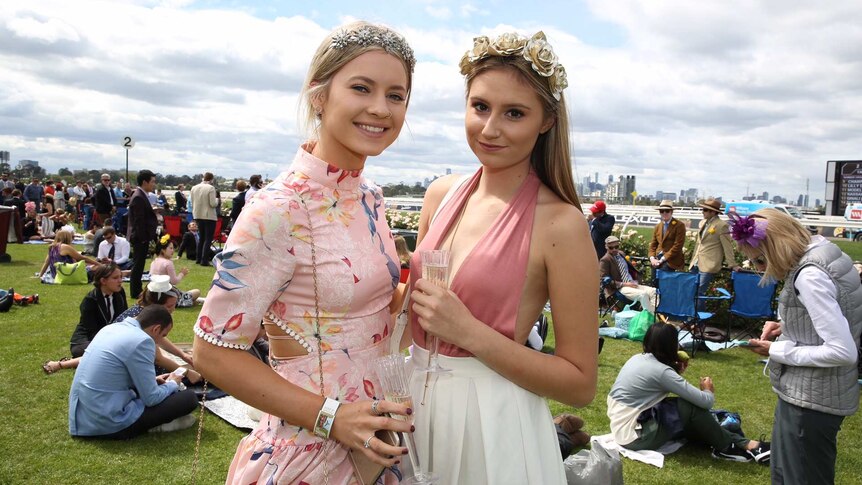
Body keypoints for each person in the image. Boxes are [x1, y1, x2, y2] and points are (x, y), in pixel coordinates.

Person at [192, 21, 415, 484]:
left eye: (396, 95)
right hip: (309, 453)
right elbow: (212, 352)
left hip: (378, 445)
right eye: (361, 87)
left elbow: (357, 315)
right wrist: (332, 416)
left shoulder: (370, 197)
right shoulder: (277, 209)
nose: (380, 108)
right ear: (319, 96)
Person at [407, 31, 598, 484]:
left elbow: (580, 383)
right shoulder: (439, 194)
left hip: (491, 422)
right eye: (480, 107)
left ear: (546, 121)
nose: (490, 129)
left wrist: (469, 332)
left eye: (514, 113)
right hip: (412, 405)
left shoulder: (560, 224)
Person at [734, 209, 862, 484]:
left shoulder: (809, 276)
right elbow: (837, 313)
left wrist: (775, 350)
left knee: (798, 477)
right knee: (788, 472)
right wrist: (787, 326)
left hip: (810, 400)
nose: (758, 268)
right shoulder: (823, 252)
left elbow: (842, 350)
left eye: (758, 260)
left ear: (776, 247)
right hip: (815, 395)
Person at [608, 322, 771, 463]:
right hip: (634, 436)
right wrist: (707, 389)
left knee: (679, 408)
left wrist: (675, 372)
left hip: (623, 428)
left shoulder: (637, 358)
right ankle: (730, 447)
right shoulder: (662, 371)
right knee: (689, 407)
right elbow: (705, 402)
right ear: (672, 345)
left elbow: (655, 384)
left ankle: (743, 443)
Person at [68, 304, 198, 439]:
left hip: (82, 418)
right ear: (156, 329)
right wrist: (172, 383)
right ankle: (154, 425)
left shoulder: (110, 329)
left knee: (163, 388)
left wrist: (154, 381)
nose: (159, 341)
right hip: (108, 422)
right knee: (189, 398)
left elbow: (115, 375)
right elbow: (151, 398)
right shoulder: (143, 341)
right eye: (163, 335)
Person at [43, 275, 199, 381]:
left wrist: (183, 356)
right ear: (157, 305)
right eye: (170, 306)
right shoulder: (144, 320)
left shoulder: (145, 312)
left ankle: (60, 364)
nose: (173, 310)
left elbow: (160, 340)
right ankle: (60, 364)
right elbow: (157, 357)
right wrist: (187, 372)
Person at [68, 263, 129, 359]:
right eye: (115, 278)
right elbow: (92, 331)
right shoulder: (90, 300)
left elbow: (124, 317)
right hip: (88, 339)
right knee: (97, 351)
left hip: (111, 336)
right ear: (103, 281)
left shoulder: (120, 293)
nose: (120, 281)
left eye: (121, 277)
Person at [689, 197, 740, 311]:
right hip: (696, 263)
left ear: (713, 212)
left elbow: (728, 247)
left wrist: (732, 264)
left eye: (705, 210)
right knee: (693, 291)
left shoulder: (721, 225)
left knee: (699, 292)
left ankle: (699, 322)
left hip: (708, 265)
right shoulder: (704, 223)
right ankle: (692, 319)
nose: (703, 212)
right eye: (703, 210)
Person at [600, 235, 657, 313]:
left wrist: (635, 279)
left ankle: (651, 314)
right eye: (611, 248)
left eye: (616, 247)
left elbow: (629, 269)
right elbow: (604, 280)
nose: (614, 249)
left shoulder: (621, 254)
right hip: (619, 288)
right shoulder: (605, 260)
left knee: (654, 291)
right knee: (643, 295)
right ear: (606, 247)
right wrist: (625, 284)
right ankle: (647, 316)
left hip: (632, 284)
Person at [128, 170, 158, 298]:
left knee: (139, 265)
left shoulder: (141, 195)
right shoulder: (139, 197)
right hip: (140, 237)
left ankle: (137, 289)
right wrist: (143, 238)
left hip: (142, 236)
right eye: (152, 182)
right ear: (145, 182)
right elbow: (138, 221)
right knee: (138, 265)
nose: (154, 185)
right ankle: (135, 291)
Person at [149, 234, 201, 306]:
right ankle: (190, 301)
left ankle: (192, 300)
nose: (173, 251)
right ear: (163, 250)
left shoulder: (154, 261)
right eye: (170, 248)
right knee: (197, 292)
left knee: (187, 294)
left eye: (173, 248)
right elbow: (174, 281)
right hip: (167, 297)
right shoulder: (168, 263)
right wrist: (182, 274)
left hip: (153, 296)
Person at [648, 199, 687, 274]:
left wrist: (663, 259)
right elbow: (653, 245)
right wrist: (652, 258)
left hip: (671, 261)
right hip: (657, 260)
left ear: (671, 212)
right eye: (662, 211)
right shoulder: (658, 226)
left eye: (667, 211)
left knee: (663, 282)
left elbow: (678, 245)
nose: (664, 213)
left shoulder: (679, 225)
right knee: (653, 282)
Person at [190, 172, 219, 266]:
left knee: (201, 238)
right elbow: (213, 203)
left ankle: (198, 258)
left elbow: (192, 202)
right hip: (209, 216)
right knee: (208, 238)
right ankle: (204, 260)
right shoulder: (211, 188)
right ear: (211, 179)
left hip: (197, 215)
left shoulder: (194, 187)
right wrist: (217, 200)